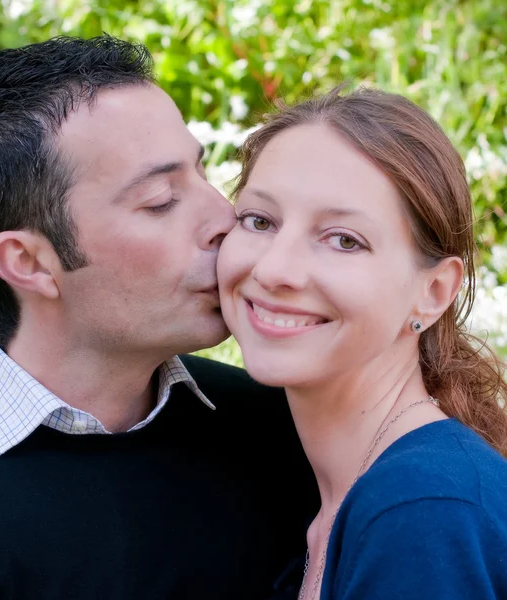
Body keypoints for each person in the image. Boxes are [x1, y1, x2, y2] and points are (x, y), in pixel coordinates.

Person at [0, 35, 318, 599]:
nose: (225, 217)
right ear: (29, 262)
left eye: (204, 173)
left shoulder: (280, 423)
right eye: (160, 200)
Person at [217, 86, 507, 600]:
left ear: (433, 291)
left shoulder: (425, 510)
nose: (274, 269)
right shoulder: (323, 491)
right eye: (259, 221)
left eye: (344, 239)